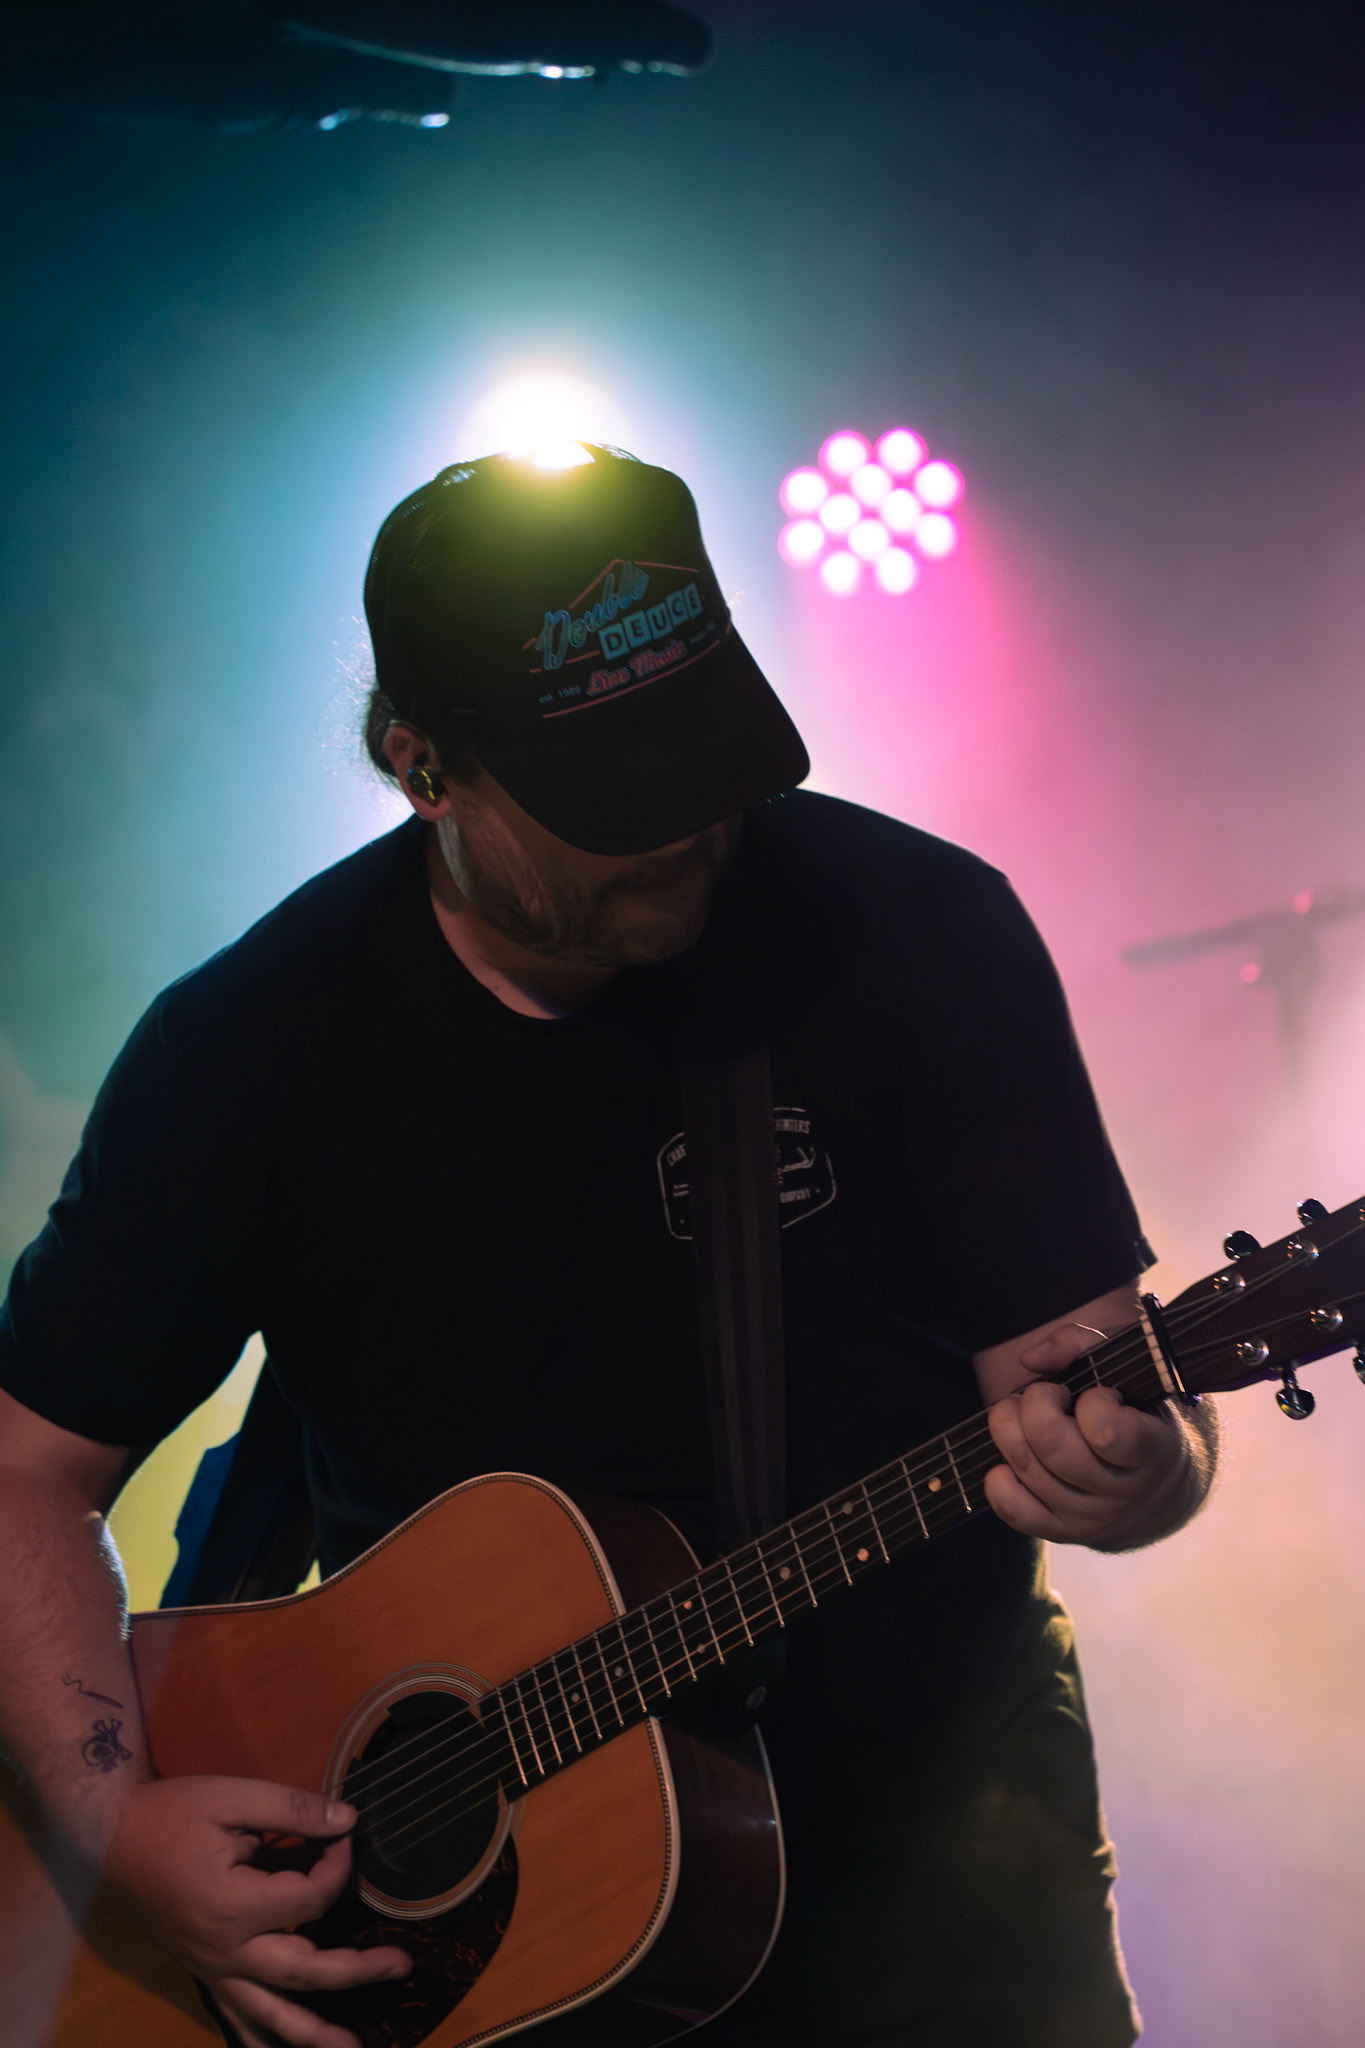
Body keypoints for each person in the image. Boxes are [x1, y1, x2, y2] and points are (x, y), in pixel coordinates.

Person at [0, 443, 1217, 2048]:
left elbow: (1103, 1389)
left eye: (704, 750)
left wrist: (1140, 1471)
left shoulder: (913, 934)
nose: (687, 825)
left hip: (941, 1854)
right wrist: (111, 1828)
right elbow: (27, 1473)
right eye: (610, 796)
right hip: (466, 1910)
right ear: (420, 766)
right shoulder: (250, 1051)